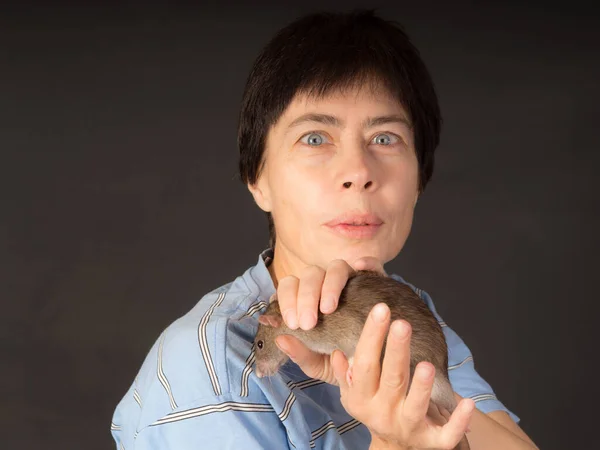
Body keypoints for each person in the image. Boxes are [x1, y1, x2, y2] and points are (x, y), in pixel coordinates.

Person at [111, 9, 538, 450]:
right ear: (257, 179)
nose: (358, 171)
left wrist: (419, 399)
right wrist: (395, 443)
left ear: (420, 182)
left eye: (386, 138)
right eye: (315, 137)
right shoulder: (214, 363)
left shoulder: (401, 309)